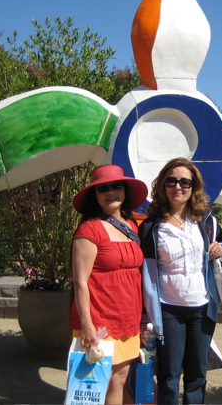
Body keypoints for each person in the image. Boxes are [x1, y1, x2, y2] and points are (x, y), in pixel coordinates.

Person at [139, 157, 222, 405]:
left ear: (194, 187)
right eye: (171, 181)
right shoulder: (150, 226)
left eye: (184, 182)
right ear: (162, 186)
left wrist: (221, 250)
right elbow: (144, 272)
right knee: (169, 373)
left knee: (197, 374)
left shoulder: (207, 220)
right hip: (168, 308)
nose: (178, 186)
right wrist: (144, 316)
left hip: (202, 307)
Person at [69, 164, 148, 405]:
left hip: (129, 318)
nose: (111, 192)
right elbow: (79, 281)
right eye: (104, 188)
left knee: (121, 377)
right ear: (95, 195)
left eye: (117, 186)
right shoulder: (89, 230)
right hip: (100, 319)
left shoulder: (132, 226)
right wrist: (87, 325)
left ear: (125, 191)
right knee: (105, 380)